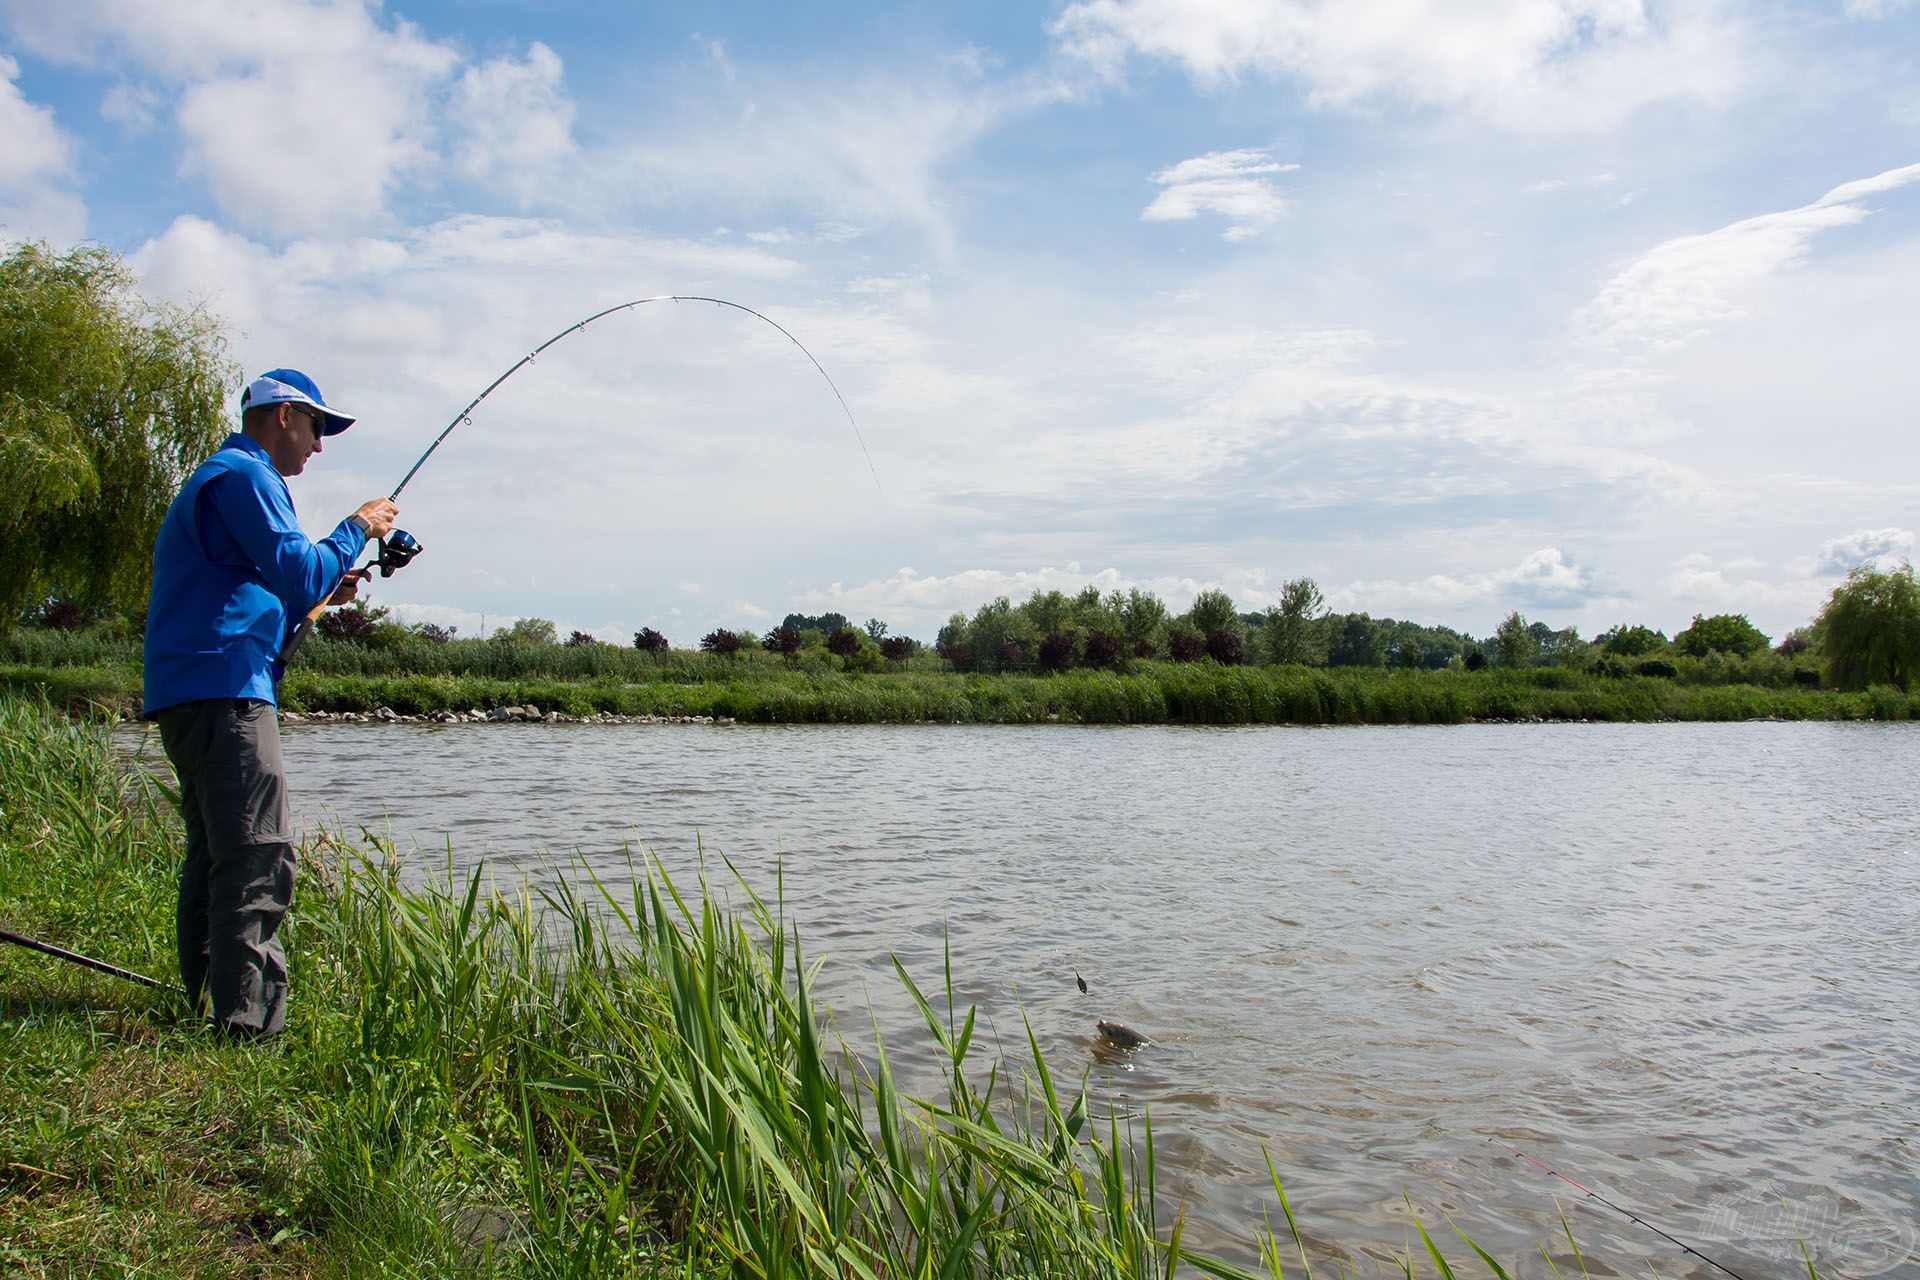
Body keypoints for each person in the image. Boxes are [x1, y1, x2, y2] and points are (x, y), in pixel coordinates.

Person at [142, 368, 398, 1039]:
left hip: (193, 691)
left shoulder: (223, 478)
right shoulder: (246, 476)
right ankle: (249, 1027)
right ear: (283, 415)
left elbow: (267, 583)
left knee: (216, 854)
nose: (319, 446)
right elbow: (298, 569)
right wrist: (357, 527)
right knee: (260, 852)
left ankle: (209, 1000)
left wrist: (326, 588)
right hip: (226, 692)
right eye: (318, 428)